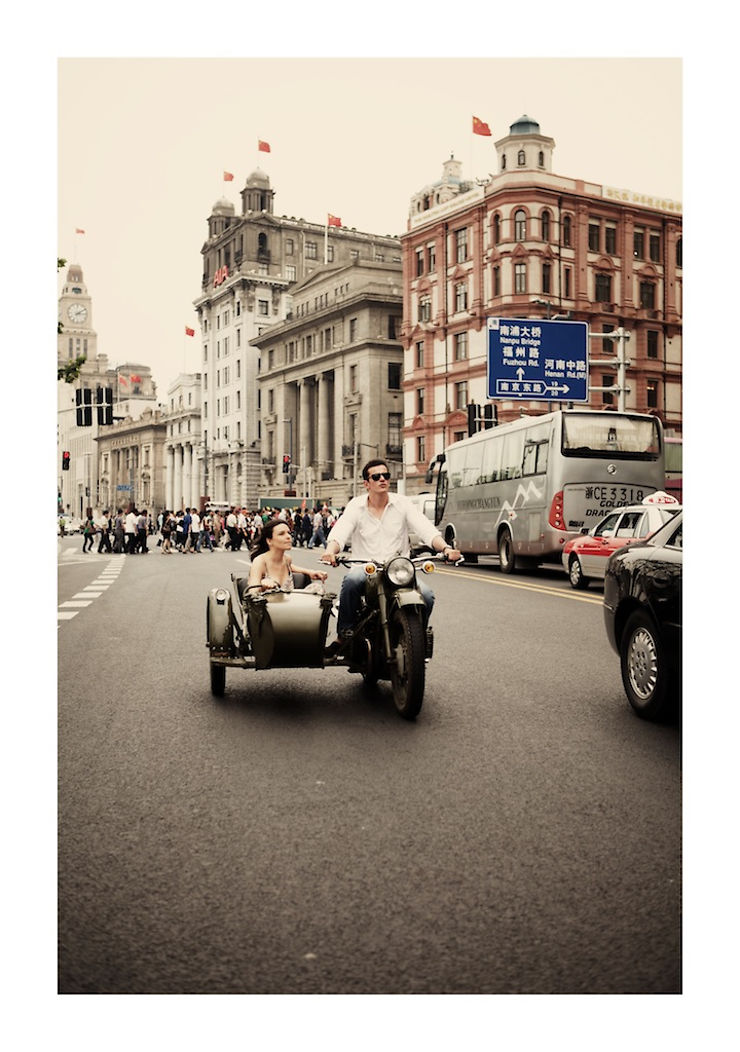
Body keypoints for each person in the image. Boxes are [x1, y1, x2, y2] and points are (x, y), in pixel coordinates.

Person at [320, 459, 461, 652]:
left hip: (398, 570)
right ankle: (344, 634)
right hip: (366, 569)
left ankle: (416, 639)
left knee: (427, 596)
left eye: (385, 475)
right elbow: (340, 532)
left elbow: (425, 529)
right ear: (367, 483)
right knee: (351, 581)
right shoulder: (356, 506)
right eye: (376, 476)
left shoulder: (402, 503)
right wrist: (330, 551)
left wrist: (445, 549)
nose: (382, 479)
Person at [247, 519, 328, 593]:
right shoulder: (260, 561)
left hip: (290, 607)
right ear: (269, 540)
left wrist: (311, 572)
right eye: (281, 534)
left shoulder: (287, 559)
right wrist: (262, 585)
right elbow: (252, 591)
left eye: (289, 533)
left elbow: (291, 567)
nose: (288, 537)